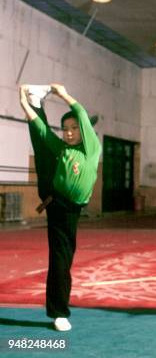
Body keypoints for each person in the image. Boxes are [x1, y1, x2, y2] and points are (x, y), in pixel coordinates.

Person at [19, 83, 102, 332]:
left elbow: (82, 115)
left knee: (64, 259)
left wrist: (62, 93)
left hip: (71, 211)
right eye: (65, 129)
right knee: (60, 260)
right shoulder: (64, 150)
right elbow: (43, 131)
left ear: (84, 131)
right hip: (55, 201)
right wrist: (24, 104)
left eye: (74, 128)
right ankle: (59, 313)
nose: (68, 133)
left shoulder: (91, 149)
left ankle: (37, 100)